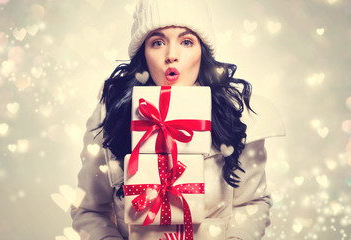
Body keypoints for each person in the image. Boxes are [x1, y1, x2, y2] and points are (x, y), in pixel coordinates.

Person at [71, 0, 285, 239]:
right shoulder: (111, 114)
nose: (172, 55)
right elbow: (88, 209)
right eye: (158, 42)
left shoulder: (237, 115)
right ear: (143, 52)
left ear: (202, 51)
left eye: (186, 42)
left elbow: (253, 203)